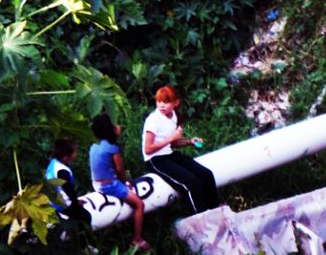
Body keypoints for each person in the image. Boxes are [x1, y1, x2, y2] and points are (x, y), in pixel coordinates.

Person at [142, 85, 219, 214]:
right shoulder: (153, 120)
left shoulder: (174, 116)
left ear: (175, 103)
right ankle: (201, 218)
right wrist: (171, 139)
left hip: (169, 155)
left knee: (206, 175)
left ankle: (216, 212)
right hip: (155, 160)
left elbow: (174, 143)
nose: (161, 105)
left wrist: (190, 142)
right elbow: (148, 149)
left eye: (166, 102)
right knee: (192, 184)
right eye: (158, 101)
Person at [89, 113, 151, 251]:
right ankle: (137, 239)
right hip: (108, 185)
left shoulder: (94, 144)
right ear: (110, 129)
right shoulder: (112, 148)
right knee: (139, 204)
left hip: (95, 183)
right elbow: (120, 170)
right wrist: (126, 183)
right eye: (115, 124)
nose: (119, 126)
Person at [45, 138, 92, 224]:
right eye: (74, 152)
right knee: (87, 217)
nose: (76, 154)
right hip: (62, 204)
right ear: (66, 158)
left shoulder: (54, 163)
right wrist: (76, 203)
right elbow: (69, 191)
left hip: (51, 199)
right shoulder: (63, 172)